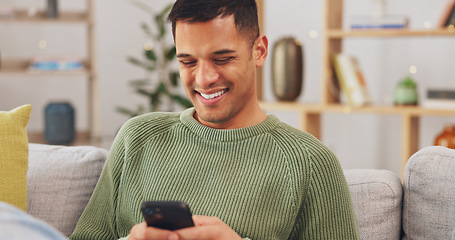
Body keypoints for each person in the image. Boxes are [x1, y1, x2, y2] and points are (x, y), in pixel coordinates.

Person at [70, 0, 359, 239]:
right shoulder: (138, 137)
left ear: (258, 51)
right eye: (188, 61)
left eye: (222, 59)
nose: (204, 79)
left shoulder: (310, 163)